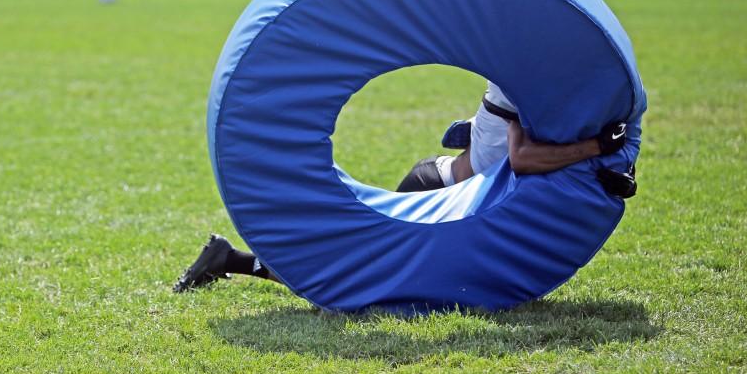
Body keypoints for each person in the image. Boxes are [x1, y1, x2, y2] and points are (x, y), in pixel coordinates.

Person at [173, 81, 632, 293]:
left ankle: (230, 260)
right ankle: (230, 259)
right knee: (349, 285)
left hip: (460, 191)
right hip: (437, 190)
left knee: (353, 274)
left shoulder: (548, 83)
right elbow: (523, 159)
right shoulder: (518, 83)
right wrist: (595, 147)